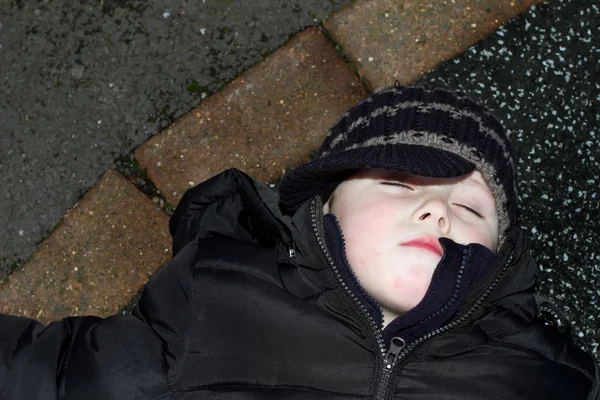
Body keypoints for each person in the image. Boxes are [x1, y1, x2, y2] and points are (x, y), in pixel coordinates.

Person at [1, 86, 598, 399]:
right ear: (323, 205)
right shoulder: (214, 304)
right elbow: (44, 375)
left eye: (470, 207)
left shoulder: (545, 374)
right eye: (396, 181)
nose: (437, 211)